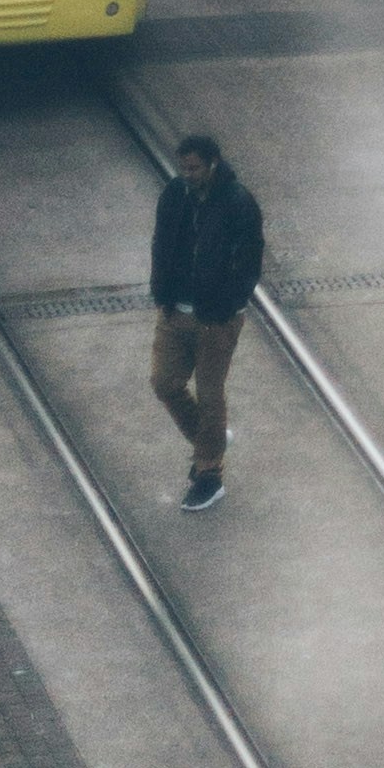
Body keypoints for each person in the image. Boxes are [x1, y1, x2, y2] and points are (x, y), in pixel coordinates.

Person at [148, 127, 265, 511]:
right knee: (164, 382)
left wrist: (229, 305)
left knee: (210, 393)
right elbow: (160, 245)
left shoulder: (237, 202)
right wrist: (161, 292)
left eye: (195, 168)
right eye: (183, 168)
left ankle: (209, 474)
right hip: (174, 310)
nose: (188, 175)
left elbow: (250, 260)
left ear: (212, 164)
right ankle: (210, 441)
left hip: (216, 318)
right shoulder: (174, 195)